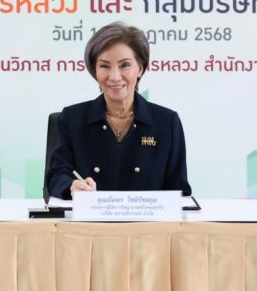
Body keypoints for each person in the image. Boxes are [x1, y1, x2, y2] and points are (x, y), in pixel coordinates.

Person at [45, 22, 191, 199]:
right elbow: (57, 175)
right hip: (89, 217)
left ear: (140, 68)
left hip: (148, 217)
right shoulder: (72, 118)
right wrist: (71, 186)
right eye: (104, 66)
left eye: (125, 65)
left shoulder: (167, 122)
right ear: (94, 70)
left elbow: (179, 191)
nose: (114, 77)